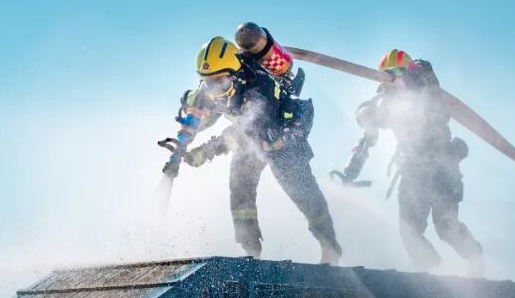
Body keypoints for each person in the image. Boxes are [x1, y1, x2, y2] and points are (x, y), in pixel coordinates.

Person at [161, 36, 342, 264]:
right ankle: (251, 252)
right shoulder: (213, 89)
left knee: (301, 190)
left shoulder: (259, 86)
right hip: (252, 141)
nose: (213, 89)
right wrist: (180, 146)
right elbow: (198, 118)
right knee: (239, 186)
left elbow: (248, 128)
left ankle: (330, 245)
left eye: (219, 82)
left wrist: (205, 152)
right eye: (208, 82)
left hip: (283, 136)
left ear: (234, 75)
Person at [332, 49, 483, 275]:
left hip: (443, 169)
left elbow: (434, 92)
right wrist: (351, 170)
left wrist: (415, 76)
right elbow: (368, 135)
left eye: (397, 73)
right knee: (409, 230)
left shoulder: (427, 93)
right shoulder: (387, 103)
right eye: (388, 77)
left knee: (446, 225)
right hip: (414, 172)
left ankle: (475, 258)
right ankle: (426, 270)